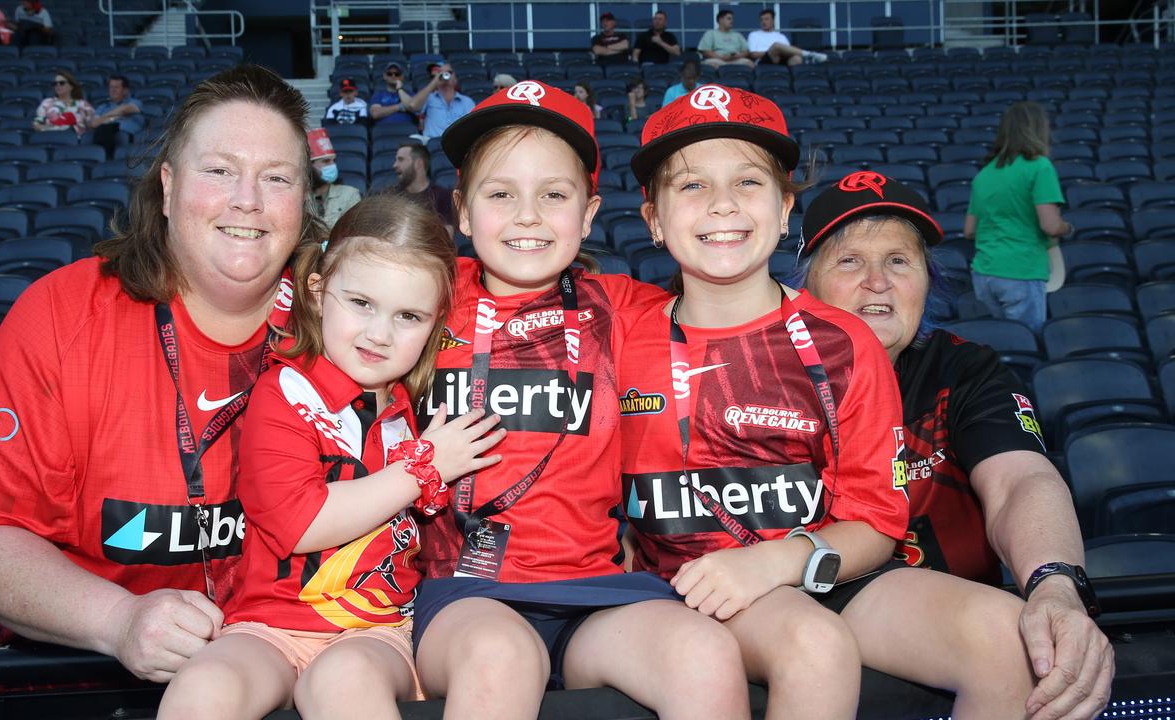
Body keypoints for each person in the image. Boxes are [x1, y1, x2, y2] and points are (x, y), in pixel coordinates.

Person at [625, 84, 1043, 719]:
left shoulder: (844, 342)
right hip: (678, 585)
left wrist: (779, 560)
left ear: (786, 207)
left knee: (1005, 638)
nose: (722, 206)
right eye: (690, 186)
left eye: (747, 182)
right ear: (652, 218)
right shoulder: (620, 330)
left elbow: (877, 523)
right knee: (810, 641)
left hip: (817, 567)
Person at [0, 65, 324, 683]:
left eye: (276, 178)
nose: (247, 198)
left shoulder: (347, 326)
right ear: (167, 188)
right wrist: (118, 621)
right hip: (87, 674)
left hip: (294, 667)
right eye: (219, 170)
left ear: (303, 204)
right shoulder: (61, 316)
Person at [412, 80, 752, 719]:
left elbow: (745, 312)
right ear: (460, 210)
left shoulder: (621, 308)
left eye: (554, 195)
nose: (528, 215)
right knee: (500, 657)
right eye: (500, 193)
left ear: (590, 214)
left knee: (702, 654)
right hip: (462, 593)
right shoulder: (421, 297)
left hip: (595, 590)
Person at [157, 195, 506, 719]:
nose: (379, 333)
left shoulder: (417, 414)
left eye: (408, 316)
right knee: (205, 683)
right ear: (318, 292)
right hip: (268, 625)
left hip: (377, 629)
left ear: (434, 325)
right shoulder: (284, 391)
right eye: (361, 303)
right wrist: (425, 467)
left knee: (345, 680)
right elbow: (299, 524)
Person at [799, 171, 1113, 720]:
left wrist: (1054, 584)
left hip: (956, 619)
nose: (878, 281)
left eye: (899, 260)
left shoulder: (966, 369)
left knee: (1021, 641)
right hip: (807, 607)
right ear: (807, 287)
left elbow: (1021, 480)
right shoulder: (764, 377)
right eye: (850, 261)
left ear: (927, 280)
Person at [965, 102, 1071, 334]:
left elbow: (969, 231)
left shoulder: (985, 173)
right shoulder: (1039, 167)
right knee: (1027, 344)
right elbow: (1051, 226)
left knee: (1008, 345)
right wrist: (1067, 227)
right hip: (1020, 271)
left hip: (985, 274)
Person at [392, 141, 454, 235]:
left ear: (418, 163)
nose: (395, 165)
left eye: (401, 159)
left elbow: (448, 237)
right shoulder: (391, 197)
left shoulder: (442, 196)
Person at [307, 128, 361, 231]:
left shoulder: (349, 194)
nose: (333, 166)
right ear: (309, 166)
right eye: (326, 161)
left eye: (334, 161)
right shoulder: (299, 198)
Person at [90, 74, 145, 160]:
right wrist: (114, 117)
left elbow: (126, 108)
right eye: (111, 87)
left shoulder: (135, 102)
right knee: (103, 129)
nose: (113, 90)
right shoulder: (103, 107)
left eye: (116, 87)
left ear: (125, 90)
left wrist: (105, 118)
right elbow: (94, 123)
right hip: (105, 136)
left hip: (126, 137)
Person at [748, 8, 826, 66]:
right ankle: (809, 54)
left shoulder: (781, 36)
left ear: (773, 20)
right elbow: (753, 54)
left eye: (766, 19)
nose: (763, 22)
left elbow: (788, 51)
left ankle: (807, 63)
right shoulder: (754, 35)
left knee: (797, 59)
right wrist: (773, 51)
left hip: (782, 59)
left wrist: (779, 53)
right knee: (776, 46)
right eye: (761, 20)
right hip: (764, 60)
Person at [419, 63, 475, 140]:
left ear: (455, 78)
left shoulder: (467, 101)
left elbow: (473, 126)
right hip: (432, 143)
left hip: (457, 143)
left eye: (449, 72)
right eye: (440, 73)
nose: (445, 75)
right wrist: (435, 83)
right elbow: (413, 106)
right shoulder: (428, 98)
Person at [33, 70, 96, 136]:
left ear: (71, 86)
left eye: (61, 83)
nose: (58, 85)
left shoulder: (83, 104)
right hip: (51, 137)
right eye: (55, 83)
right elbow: (37, 123)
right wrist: (48, 128)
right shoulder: (47, 102)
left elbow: (92, 125)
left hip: (74, 141)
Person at [368, 62, 432, 126]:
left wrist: (399, 89)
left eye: (397, 74)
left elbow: (414, 107)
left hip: (407, 129)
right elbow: (375, 113)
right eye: (389, 74)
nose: (393, 76)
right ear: (385, 76)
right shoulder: (378, 95)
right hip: (384, 131)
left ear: (402, 77)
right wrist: (399, 107)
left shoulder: (410, 94)